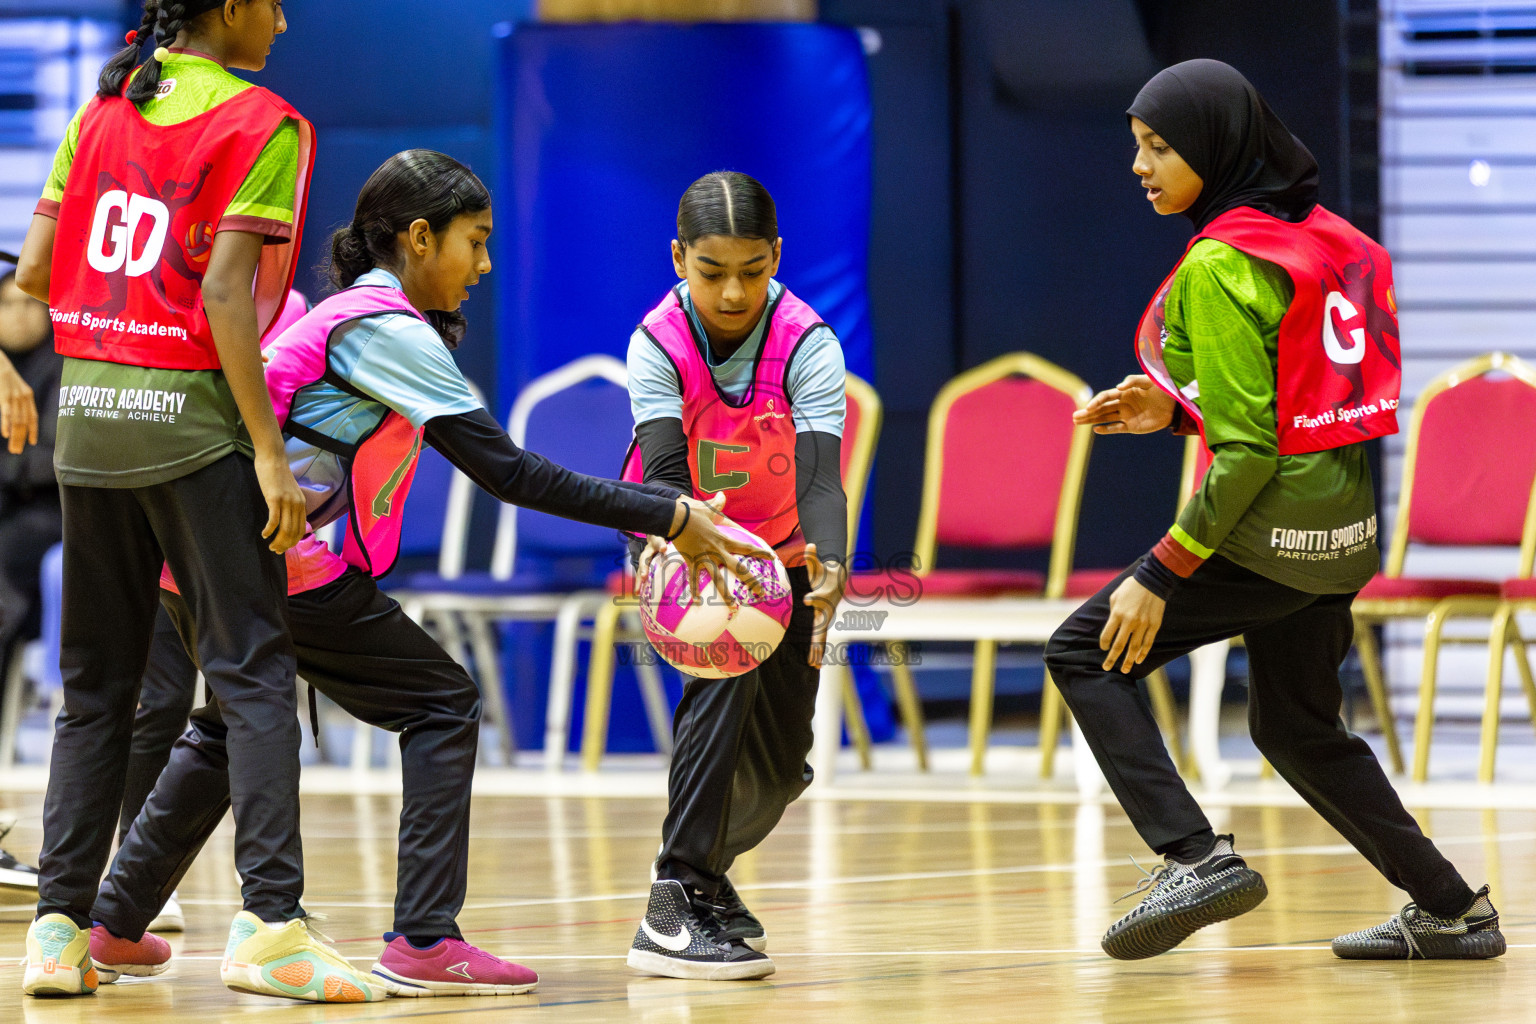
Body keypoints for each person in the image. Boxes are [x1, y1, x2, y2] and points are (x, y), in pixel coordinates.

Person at [87, 150, 772, 998]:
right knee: (442, 701)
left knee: (227, 729)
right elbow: (508, 473)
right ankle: (422, 939)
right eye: (473, 242)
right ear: (418, 238)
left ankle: (114, 925)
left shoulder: (362, 315)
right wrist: (669, 513)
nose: (484, 264)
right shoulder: (385, 326)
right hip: (271, 559)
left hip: (197, 556)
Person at [1044, 59, 1503, 963]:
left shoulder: (1221, 261)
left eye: (1160, 147)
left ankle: (1192, 857)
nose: (1140, 166)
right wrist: (1175, 411)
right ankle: (1452, 910)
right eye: (1137, 146)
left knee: (1082, 654)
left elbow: (1252, 452)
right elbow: (1312, 398)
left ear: (1215, 150)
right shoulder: (1337, 240)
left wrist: (1157, 572)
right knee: (1296, 726)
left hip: (1265, 532)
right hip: (1347, 531)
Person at [10, 0, 388, 1002]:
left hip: (86, 423)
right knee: (257, 674)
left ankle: (57, 931)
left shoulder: (97, 113)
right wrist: (268, 448)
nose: (284, 22)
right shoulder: (261, 122)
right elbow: (228, 294)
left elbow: (35, 278)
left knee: (95, 688)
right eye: (273, 4)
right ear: (228, 7)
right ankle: (271, 924)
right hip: (190, 426)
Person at [622, 171, 848, 981]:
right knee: (723, 673)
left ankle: (705, 878)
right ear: (678, 257)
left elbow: (822, 479)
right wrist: (690, 536)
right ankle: (675, 898)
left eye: (752, 270)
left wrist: (831, 565)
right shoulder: (655, 341)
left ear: (777, 256)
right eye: (711, 270)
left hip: (785, 551)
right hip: (683, 539)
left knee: (785, 765)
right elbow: (663, 468)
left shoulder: (809, 340)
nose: (731, 290)